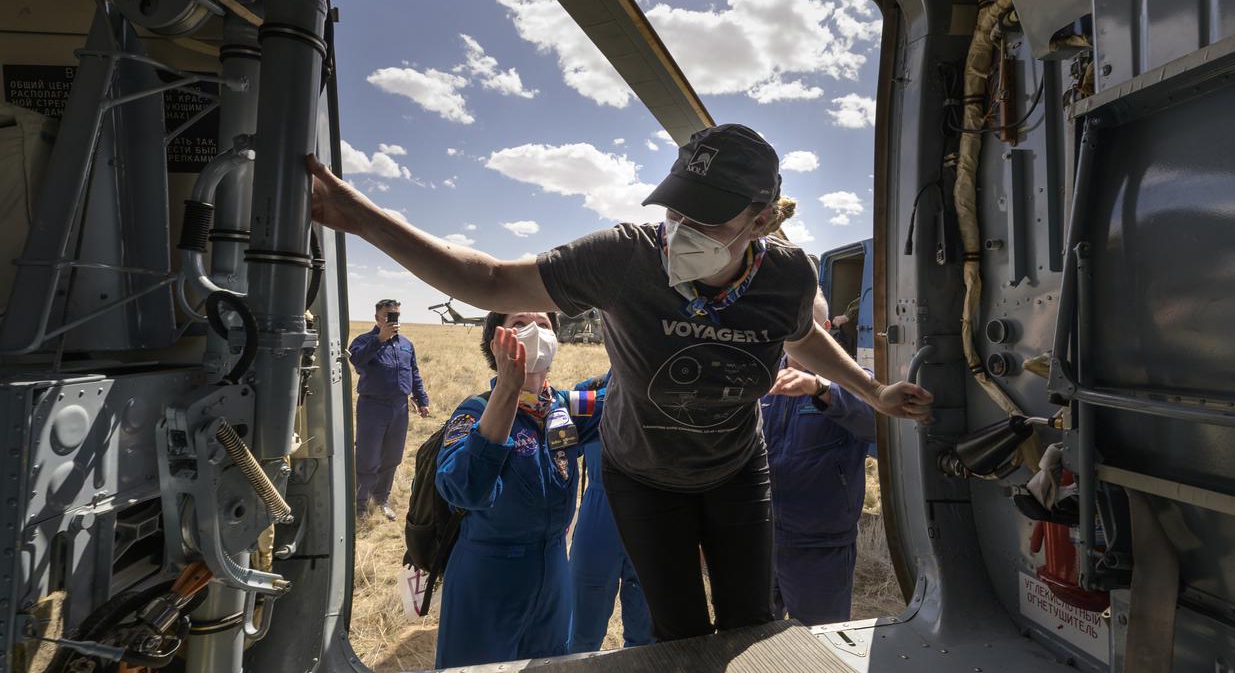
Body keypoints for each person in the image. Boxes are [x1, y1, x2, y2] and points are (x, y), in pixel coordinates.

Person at [309, 122, 932, 645]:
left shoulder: (788, 276)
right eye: (676, 207)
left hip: (737, 469)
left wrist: (872, 391)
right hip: (643, 477)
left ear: (762, 220)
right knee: (679, 630)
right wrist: (364, 220)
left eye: (707, 219)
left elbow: (801, 337)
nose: (681, 228)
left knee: (752, 622)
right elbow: (492, 279)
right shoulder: (624, 259)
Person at [433, 311, 603, 669]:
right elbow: (463, 490)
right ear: (495, 341)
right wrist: (509, 389)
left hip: (555, 569)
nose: (534, 332)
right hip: (489, 574)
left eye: (543, 324)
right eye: (520, 322)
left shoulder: (561, 407)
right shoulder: (474, 411)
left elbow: (619, 400)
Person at [762, 290, 875, 626]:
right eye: (788, 327)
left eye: (805, 327)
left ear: (825, 328)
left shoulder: (851, 380)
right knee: (749, 643)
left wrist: (821, 388)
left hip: (819, 547)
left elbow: (875, 422)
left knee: (820, 646)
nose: (795, 337)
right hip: (761, 541)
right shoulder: (763, 378)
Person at [566, 370, 654, 653]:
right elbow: (565, 450)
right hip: (599, 512)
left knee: (646, 634)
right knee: (582, 631)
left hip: (652, 515)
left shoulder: (665, 389)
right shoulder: (587, 392)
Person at [348, 299, 430, 521]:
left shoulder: (405, 344)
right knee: (368, 456)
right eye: (387, 315)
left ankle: (381, 500)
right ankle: (360, 505)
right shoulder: (363, 341)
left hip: (400, 407)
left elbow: (413, 372)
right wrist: (379, 340)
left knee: (392, 456)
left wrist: (421, 399)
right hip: (372, 406)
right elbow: (357, 361)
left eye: (395, 315)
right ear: (377, 317)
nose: (392, 319)